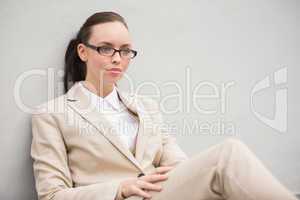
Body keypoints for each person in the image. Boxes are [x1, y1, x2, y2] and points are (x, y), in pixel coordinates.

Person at [30, 11, 297, 200]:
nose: (117, 59)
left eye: (125, 50)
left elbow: (178, 164)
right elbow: (52, 195)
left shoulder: (147, 107)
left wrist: (175, 175)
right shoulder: (52, 114)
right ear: (83, 52)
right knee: (228, 154)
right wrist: (120, 188)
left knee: (221, 181)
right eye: (106, 49)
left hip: (162, 194)